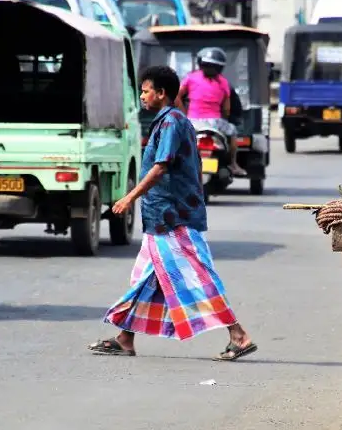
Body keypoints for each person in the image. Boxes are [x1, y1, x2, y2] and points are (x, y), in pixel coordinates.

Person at [87, 65, 258, 362]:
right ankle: (125, 338)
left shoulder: (172, 123)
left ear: (161, 93)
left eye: (145, 90)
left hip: (173, 218)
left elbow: (161, 166)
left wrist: (129, 197)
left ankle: (239, 335)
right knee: (145, 278)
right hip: (160, 218)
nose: (141, 96)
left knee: (198, 276)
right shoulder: (167, 120)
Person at [175, 47, 247, 177]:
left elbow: (177, 96)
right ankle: (233, 163)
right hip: (215, 124)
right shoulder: (223, 82)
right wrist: (225, 119)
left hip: (193, 122)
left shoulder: (191, 78)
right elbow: (226, 108)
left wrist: (183, 114)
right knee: (233, 132)